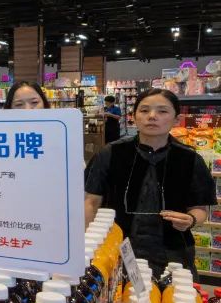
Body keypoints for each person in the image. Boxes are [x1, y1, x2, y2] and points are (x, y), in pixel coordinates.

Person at [84, 88, 216, 278]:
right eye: (144, 110)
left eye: (162, 111)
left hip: (173, 253)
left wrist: (191, 219)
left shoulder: (189, 158)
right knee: (117, 293)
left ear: (176, 119)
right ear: (134, 116)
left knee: (171, 294)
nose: (152, 116)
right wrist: (86, 245)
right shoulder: (111, 153)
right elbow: (91, 202)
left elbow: (199, 208)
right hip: (117, 248)